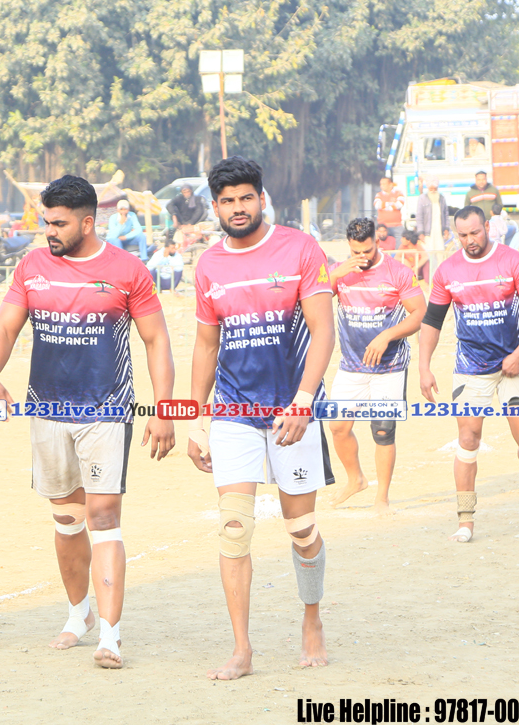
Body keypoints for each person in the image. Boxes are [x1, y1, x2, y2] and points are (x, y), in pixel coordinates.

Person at [0, 175, 175, 670]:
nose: (49, 231)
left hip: (106, 409)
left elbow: (156, 339)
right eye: (47, 222)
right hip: (47, 410)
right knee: (67, 520)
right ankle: (79, 614)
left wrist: (163, 408)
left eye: (59, 223)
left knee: (103, 516)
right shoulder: (32, 267)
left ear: (88, 223)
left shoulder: (127, 270)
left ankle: (111, 635)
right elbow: (4, 327)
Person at [187, 156, 335, 679]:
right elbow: (206, 345)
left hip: (293, 409)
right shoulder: (208, 266)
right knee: (234, 528)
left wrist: (303, 400)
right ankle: (241, 649)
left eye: (246, 198)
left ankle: (312, 619)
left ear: (262, 199)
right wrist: (198, 421)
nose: (238, 208)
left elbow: (323, 331)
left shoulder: (300, 248)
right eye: (227, 201)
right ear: (215, 207)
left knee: (301, 528)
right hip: (233, 411)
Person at [418, 206, 519, 543]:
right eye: (462, 235)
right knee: (468, 439)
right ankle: (465, 520)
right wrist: (423, 366)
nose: (469, 240)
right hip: (471, 367)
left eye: (475, 233)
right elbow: (432, 320)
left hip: (513, 365)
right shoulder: (448, 270)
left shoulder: (514, 262)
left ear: (488, 227)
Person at [327, 217, 425, 513]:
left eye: (367, 250)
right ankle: (355, 479)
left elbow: (419, 314)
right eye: (356, 251)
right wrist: (335, 275)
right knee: (338, 427)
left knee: (382, 431)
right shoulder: (339, 272)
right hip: (351, 366)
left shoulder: (398, 272)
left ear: (378, 242)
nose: (362, 257)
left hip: (389, 367)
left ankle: (382, 498)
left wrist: (387, 336)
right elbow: (313, 300)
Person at [415, 178, 448, 276]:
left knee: (440, 254)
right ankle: (430, 278)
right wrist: (421, 232)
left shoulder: (441, 198)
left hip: (439, 232)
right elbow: (419, 216)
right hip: (427, 232)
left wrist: (446, 229)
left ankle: (440, 276)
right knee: (429, 255)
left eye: (435, 188)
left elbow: (445, 214)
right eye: (431, 188)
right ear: (428, 188)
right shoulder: (422, 198)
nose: (433, 190)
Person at [373, 176, 407, 243]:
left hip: (397, 225)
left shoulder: (398, 193)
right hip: (383, 227)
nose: (381, 186)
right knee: (383, 246)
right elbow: (377, 205)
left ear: (391, 184)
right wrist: (391, 204)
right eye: (381, 184)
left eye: (384, 184)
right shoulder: (378, 195)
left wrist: (384, 205)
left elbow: (400, 204)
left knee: (400, 244)